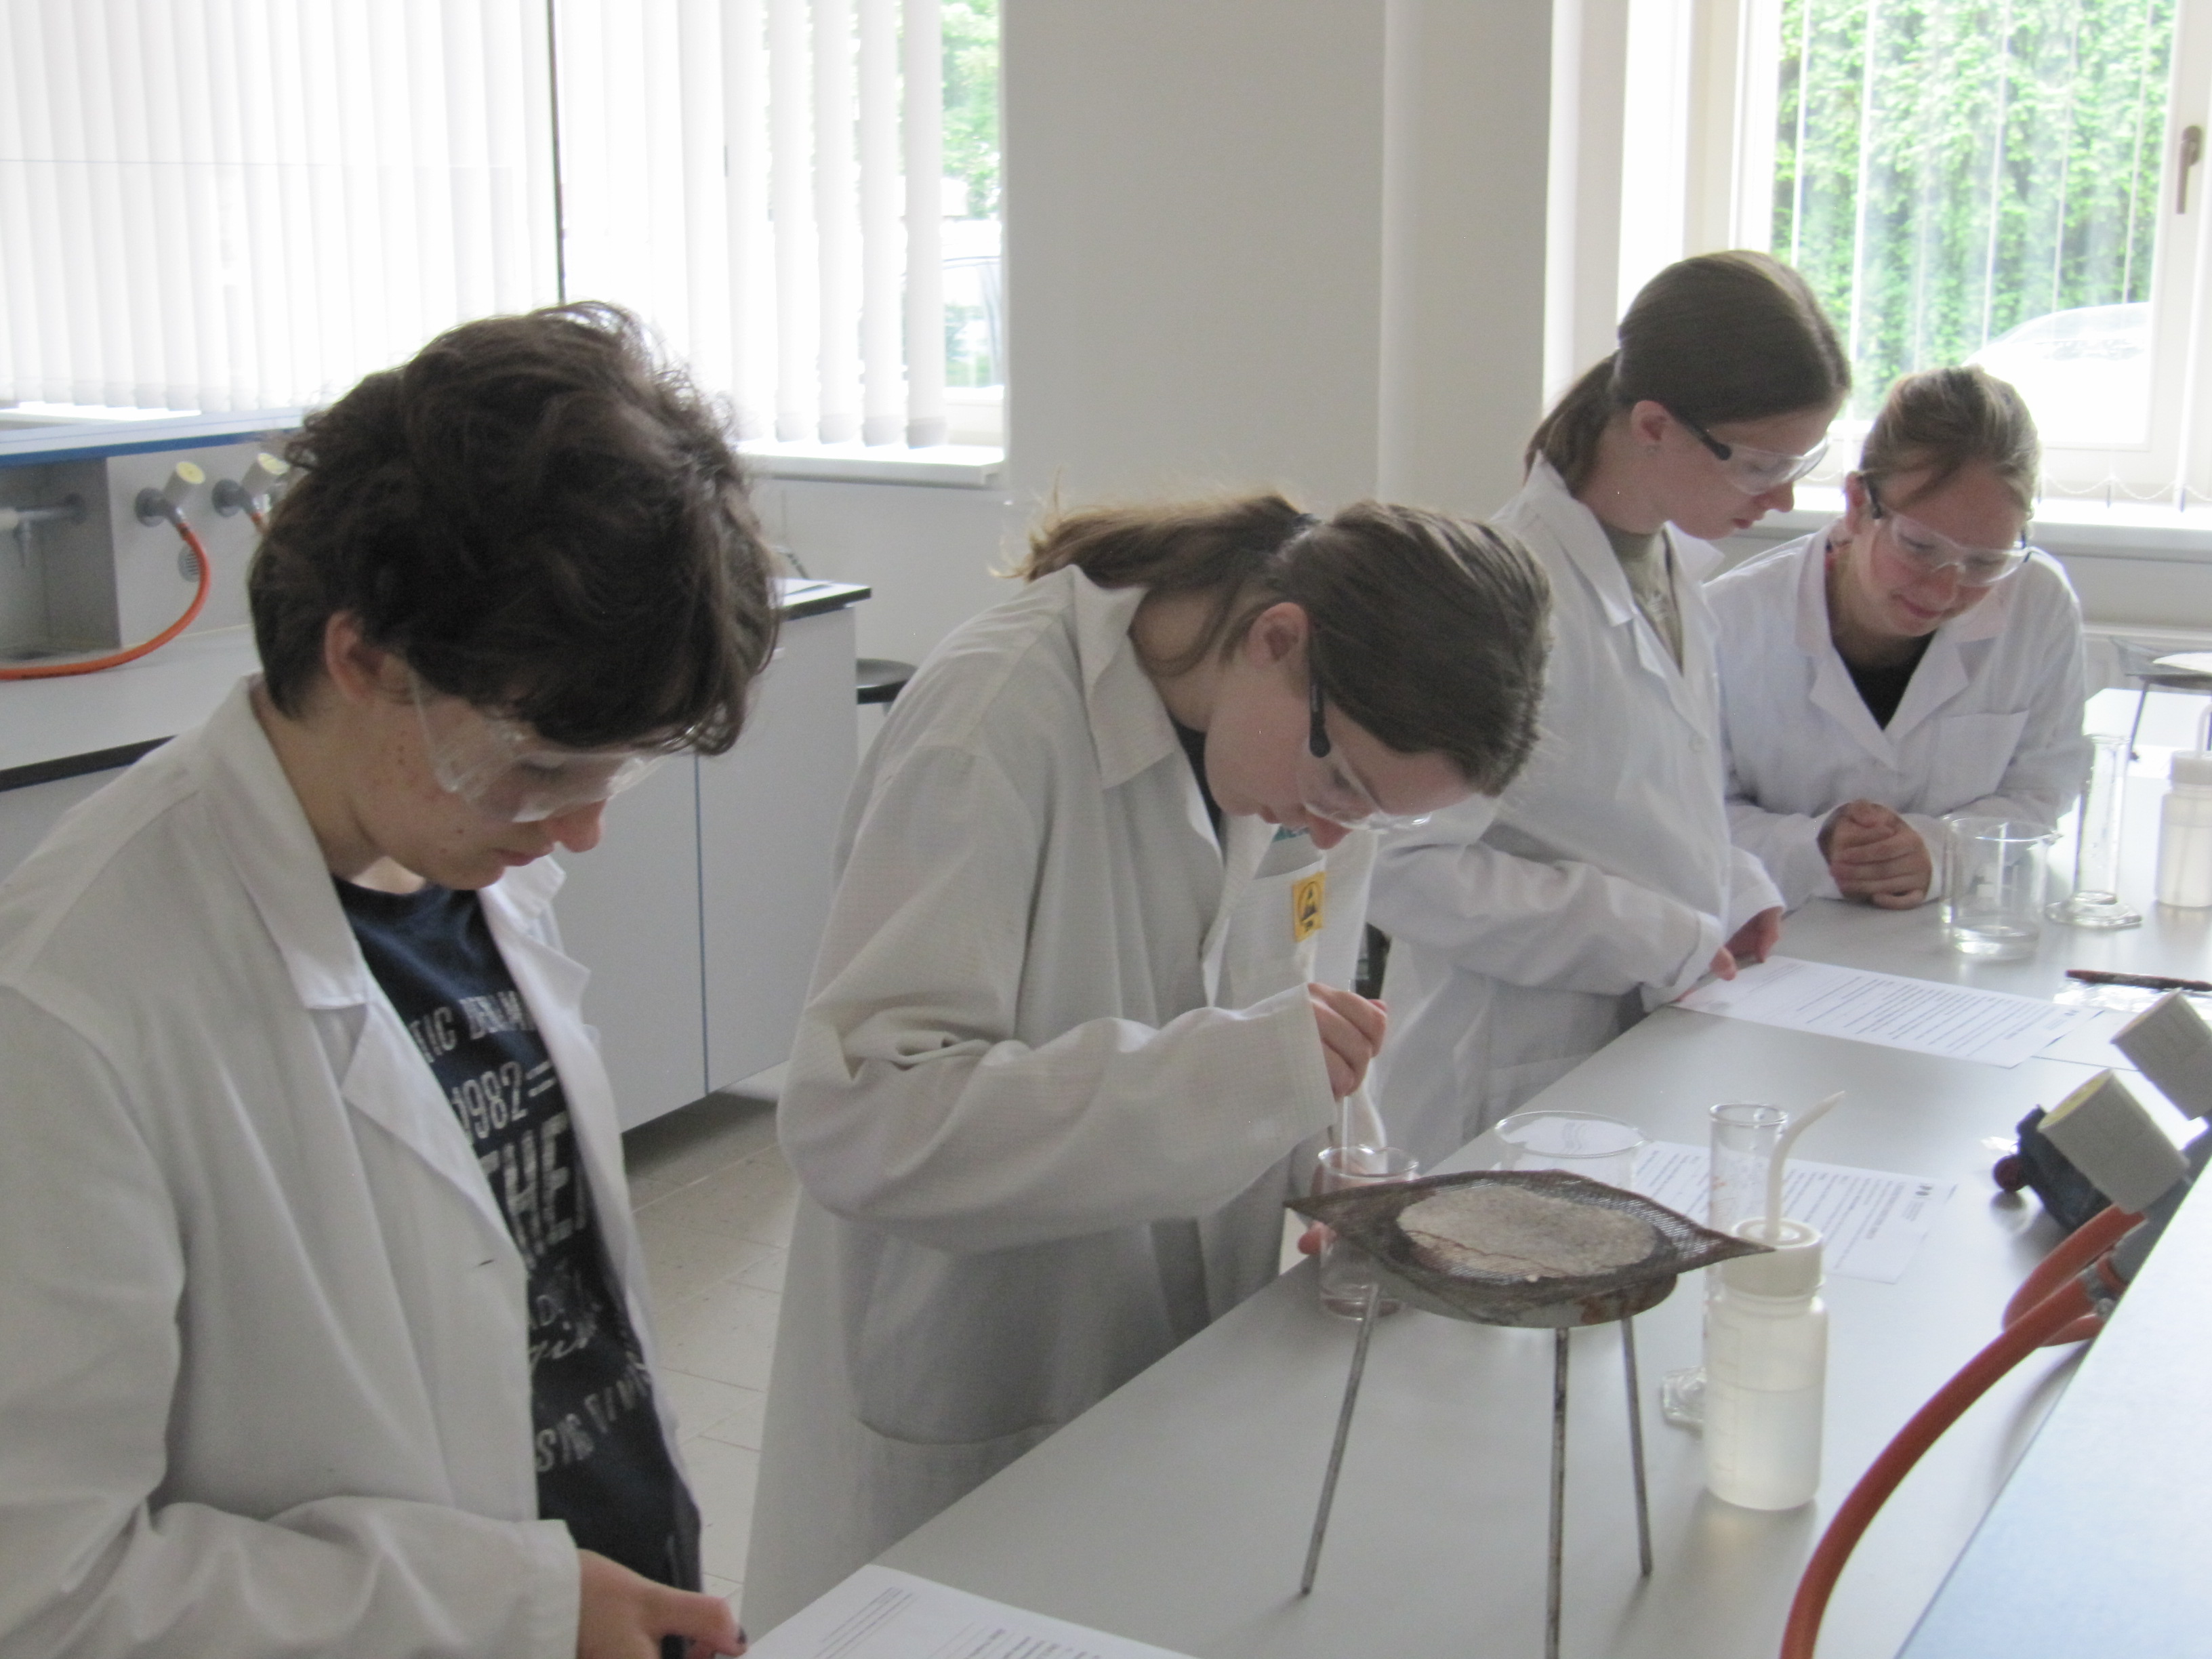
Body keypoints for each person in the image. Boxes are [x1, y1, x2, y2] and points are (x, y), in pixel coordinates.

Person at [0, 304, 777, 1659]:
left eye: (617, 771)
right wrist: (509, 1611)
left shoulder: (463, 859)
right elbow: (46, 1591)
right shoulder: (72, 1003)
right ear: (360, 654)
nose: (582, 828)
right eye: (541, 765)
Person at [741, 496, 1551, 1631]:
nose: (1334, 832)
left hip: (1170, 1363)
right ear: (1277, 638)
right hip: (977, 1364)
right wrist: (1237, 1081)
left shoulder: (1290, 745)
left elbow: (1284, 1026)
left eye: (1375, 817)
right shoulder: (996, 717)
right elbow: (864, 1116)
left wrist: (1335, 1178)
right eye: (1343, 788)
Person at [1368, 250, 1847, 1165]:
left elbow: (1635, 804)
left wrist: (1728, 886)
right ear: (1655, 425)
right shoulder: (1510, 595)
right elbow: (1402, 863)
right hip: (1505, 1068)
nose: (1785, 498)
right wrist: (1635, 931)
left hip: (1639, 1042)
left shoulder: (1666, 563)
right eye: (1760, 464)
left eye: (1801, 463)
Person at [1708, 365, 2090, 910]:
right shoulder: (1726, 621)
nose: (1944, 590)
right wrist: (1817, 847)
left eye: (1985, 562)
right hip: (1782, 931)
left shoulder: (2037, 602)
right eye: (1919, 547)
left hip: (1954, 930)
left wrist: (1941, 851)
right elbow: (1698, 814)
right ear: (1857, 504)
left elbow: (2042, 789)